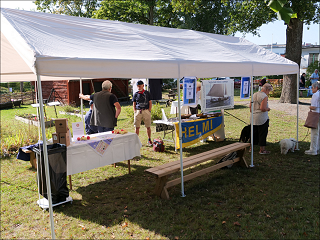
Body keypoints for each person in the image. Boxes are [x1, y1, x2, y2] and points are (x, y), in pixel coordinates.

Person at [249, 83, 273, 154]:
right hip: (261, 117)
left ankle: (251, 148)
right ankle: (262, 150)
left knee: (253, 133)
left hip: (253, 116)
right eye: (269, 91)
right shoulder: (264, 96)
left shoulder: (254, 94)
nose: (269, 93)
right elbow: (262, 108)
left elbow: (250, 107)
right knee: (262, 133)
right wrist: (267, 109)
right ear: (267, 89)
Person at [132, 80, 152, 146]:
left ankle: (149, 139)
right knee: (137, 126)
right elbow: (134, 103)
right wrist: (135, 111)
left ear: (143, 85)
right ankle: (136, 140)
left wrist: (149, 110)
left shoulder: (147, 93)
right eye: (137, 86)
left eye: (139, 86)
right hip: (138, 111)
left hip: (146, 110)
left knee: (148, 126)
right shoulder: (136, 94)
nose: (138, 87)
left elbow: (150, 102)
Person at [305, 82, 320, 155]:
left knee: (314, 133)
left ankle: (313, 150)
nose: (311, 89)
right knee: (318, 132)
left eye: (312, 87)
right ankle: (317, 148)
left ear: (316, 88)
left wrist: (309, 107)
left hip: (316, 114)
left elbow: (313, 106)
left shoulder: (315, 94)